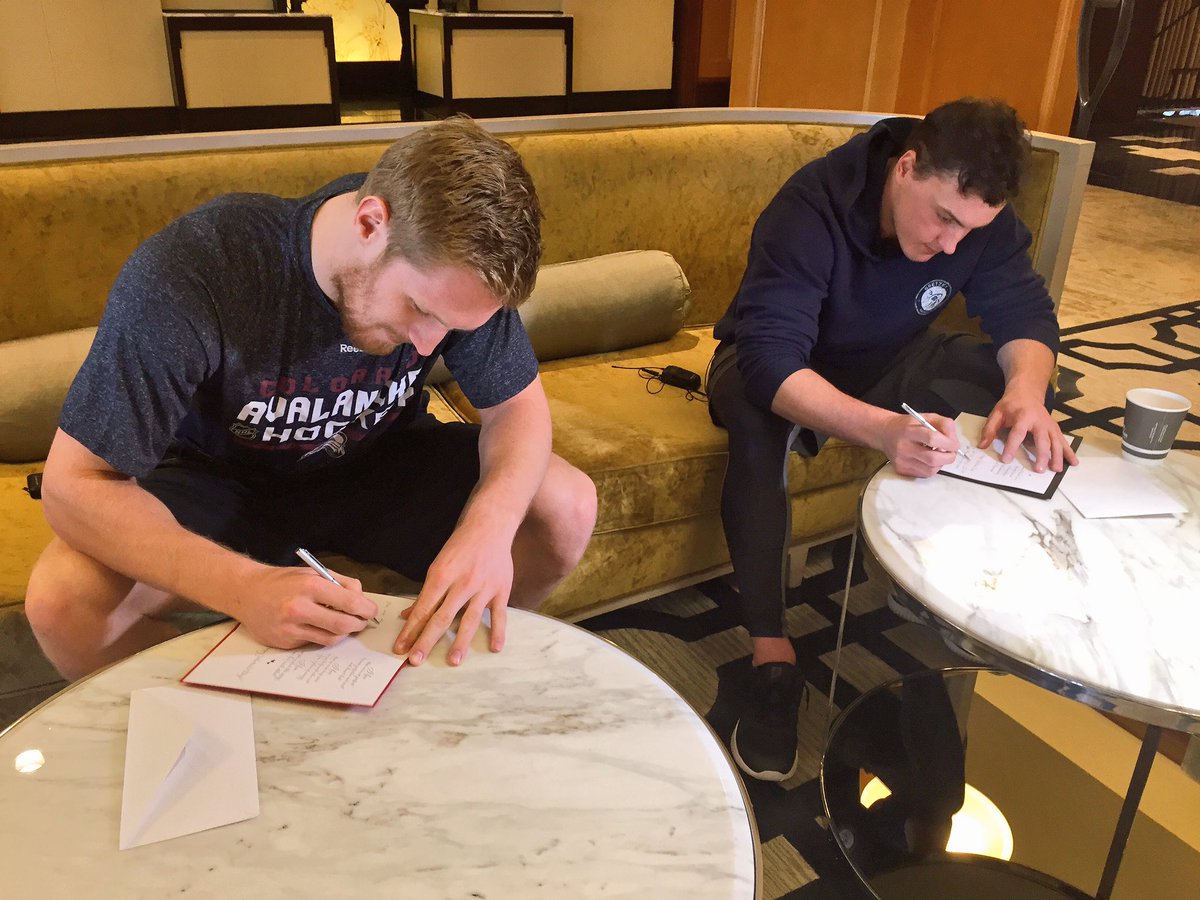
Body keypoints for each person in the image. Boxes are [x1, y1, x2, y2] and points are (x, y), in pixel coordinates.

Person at [26, 116, 598, 681]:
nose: (430, 345)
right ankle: (236, 719)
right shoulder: (198, 270)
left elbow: (518, 410)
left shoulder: (458, 275)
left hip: (379, 461)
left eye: (451, 327)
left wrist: (489, 527)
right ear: (371, 223)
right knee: (63, 601)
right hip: (220, 480)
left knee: (565, 506)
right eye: (420, 309)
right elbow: (72, 485)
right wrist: (243, 588)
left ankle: (436, 682)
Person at [706, 98, 1078, 782]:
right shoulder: (811, 206)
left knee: (1017, 390)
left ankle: (957, 586)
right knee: (756, 426)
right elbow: (770, 361)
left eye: (970, 230)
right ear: (906, 168)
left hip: (888, 356)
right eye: (944, 219)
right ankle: (772, 659)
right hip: (777, 364)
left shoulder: (973, 217)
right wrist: (882, 429)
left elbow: (1024, 312)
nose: (951, 246)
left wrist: (1027, 390)